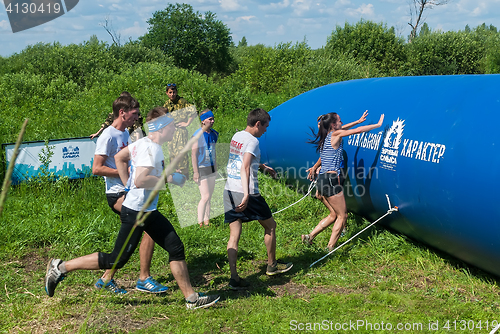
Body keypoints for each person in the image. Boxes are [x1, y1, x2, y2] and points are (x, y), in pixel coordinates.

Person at [45, 107, 220, 309]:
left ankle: (191, 298)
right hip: (137, 212)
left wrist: (127, 184)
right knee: (116, 260)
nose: (174, 130)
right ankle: (60, 267)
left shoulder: (142, 142)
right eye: (171, 126)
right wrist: (169, 178)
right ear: (161, 128)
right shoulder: (151, 148)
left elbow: (120, 158)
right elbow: (142, 178)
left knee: (175, 247)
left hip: (147, 211)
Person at [90, 95, 168, 294]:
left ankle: (108, 278)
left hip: (128, 190)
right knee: (148, 223)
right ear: (122, 113)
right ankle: (143, 278)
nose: (137, 117)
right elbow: (96, 169)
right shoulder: (107, 136)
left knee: (142, 228)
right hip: (116, 193)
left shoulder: (126, 133)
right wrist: (128, 177)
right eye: (134, 114)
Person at [224, 108, 293, 290]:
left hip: (229, 190)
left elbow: (239, 160)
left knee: (234, 236)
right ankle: (272, 265)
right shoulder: (253, 141)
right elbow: (245, 167)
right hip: (248, 192)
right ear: (257, 124)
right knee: (270, 226)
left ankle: (234, 278)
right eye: (265, 126)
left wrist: (262, 167)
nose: (266, 130)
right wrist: (247, 194)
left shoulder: (237, 136)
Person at [301, 111, 384, 251]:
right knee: (342, 215)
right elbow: (356, 132)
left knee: (333, 214)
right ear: (333, 125)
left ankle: (309, 237)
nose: (342, 122)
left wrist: (358, 121)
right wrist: (378, 125)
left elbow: (346, 128)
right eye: (339, 121)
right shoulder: (335, 135)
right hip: (331, 180)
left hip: (322, 179)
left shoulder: (327, 136)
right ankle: (330, 248)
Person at [163, 83, 197, 179]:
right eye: (170, 92)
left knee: (181, 153)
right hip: (171, 132)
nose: (172, 94)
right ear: (167, 93)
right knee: (172, 153)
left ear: (176, 92)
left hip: (180, 131)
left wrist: (187, 123)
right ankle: (177, 176)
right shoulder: (167, 104)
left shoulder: (182, 102)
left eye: (174, 92)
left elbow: (194, 111)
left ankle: (185, 176)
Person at [191, 109, 218, 227]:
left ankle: (207, 220)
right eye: (209, 119)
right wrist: (195, 172)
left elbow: (214, 152)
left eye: (213, 119)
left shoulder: (214, 134)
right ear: (203, 121)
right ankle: (199, 222)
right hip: (201, 167)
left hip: (211, 167)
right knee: (205, 196)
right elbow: (193, 154)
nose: (212, 121)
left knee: (210, 196)